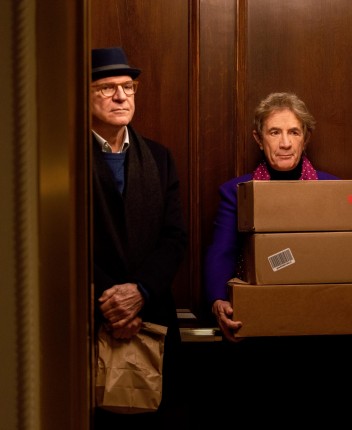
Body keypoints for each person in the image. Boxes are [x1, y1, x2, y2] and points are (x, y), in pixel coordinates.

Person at [202, 92, 352, 423]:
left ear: (305, 138)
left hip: (325, 336)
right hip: (263, 333)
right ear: (259, 139)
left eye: (293, 132)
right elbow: (221, 252)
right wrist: (217, 301)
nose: (284, 143)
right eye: (274, 132)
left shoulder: (335, 189)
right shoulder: (237, 191)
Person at [90, 47, 188, 429]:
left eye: (128, 87)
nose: (121, 96)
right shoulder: (59, 159)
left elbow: (174, 236)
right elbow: (58, 244)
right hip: (89, 317)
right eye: (107, 87)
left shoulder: (159, 158)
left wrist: (140, 292)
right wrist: (112, 302)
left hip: (153, 316)